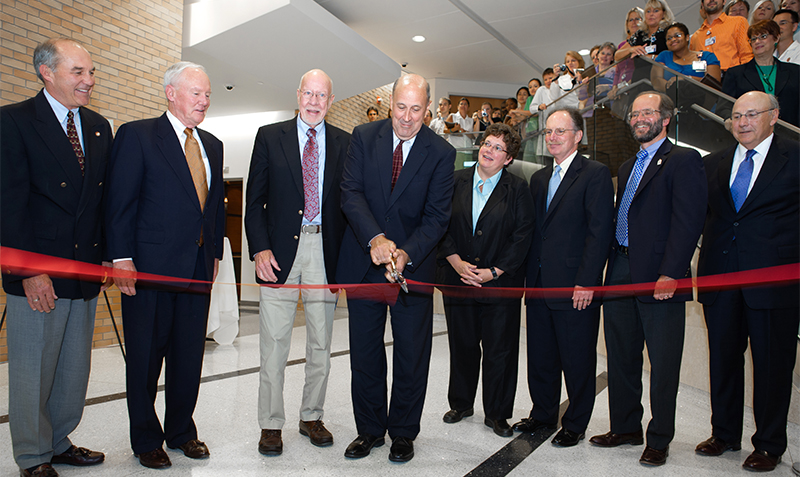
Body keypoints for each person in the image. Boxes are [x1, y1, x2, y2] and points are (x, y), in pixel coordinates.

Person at [105, 61, 226, 469]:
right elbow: (119, 203)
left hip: (196, 269)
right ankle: (145, 438)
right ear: (171, 93)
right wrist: (121, 258)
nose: (204, 101)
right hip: (149, 271)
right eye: (197, 93)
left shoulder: (212, 143)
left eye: (208, 94)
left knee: (188, 355)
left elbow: (212, 210)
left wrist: (213, 256)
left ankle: (181, 432)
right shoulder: (137, 136)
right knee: (145, 357)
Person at [0, 37, 112, 477]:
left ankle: (59, 440)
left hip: (83, 271)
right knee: (32, 369)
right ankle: (31, 455)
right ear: (47, 72)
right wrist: (29, 271)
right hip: (38, 273)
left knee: (72, 369)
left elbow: (100, 203)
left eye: (91, 72)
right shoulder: (13, 122)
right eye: (78, 72)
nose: (89, 81)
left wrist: (105, 258)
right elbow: (8, 205)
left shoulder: (99, 126)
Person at [337, 74, 455, 463]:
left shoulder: (440, 151)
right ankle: (369, 430)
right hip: (364, 263)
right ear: (391, 104)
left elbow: (437, 217)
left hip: (412, 269)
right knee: (365, 353)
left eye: (416, 109)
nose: (407, 117)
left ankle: (403, 432)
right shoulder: (363, 135)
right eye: (401, 107)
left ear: (428, 108)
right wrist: (375, 239)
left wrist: (406, 252)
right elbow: (350, 192)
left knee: (411, 353)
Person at [589, 91, 707, 467]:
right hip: (620, 269)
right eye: (635, 113)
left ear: (666, 118)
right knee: (621, 356)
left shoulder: (683, 160)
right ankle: (625, 427)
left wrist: (671, 272)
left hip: (660, 274)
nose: (640, 118)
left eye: (648, 112)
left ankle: (659, 438)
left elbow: (688, 221)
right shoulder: (626, 166)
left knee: (663, 361)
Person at [244, 69, 351, 456]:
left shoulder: (344, 143)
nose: (314, 102)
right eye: (309, 93)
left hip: (326, 251)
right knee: (273, 342)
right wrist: (259, 248)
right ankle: (271, 424)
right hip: (279, 253)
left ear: (331, 101)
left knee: (322, 341)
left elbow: (350, 202)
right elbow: (254, 201)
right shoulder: (270, 137)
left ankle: (311, 415)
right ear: (298, 94)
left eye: (322, 95)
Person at [695, 91, 799, 473]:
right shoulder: (714, 163)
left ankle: (769, 444)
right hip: (720, 278)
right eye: (736, 116)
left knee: (772, 365)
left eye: (751, 115)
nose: (742, 123)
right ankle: (723, 434)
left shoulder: (795, 157)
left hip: (774, 281)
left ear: (774, 116)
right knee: (723, 359)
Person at [513, 109, 614, 448]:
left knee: (577, 357)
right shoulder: (539, 178)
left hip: (575, 286)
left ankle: (575, 422)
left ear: (578, 136)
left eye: (560, 131)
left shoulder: (595, 174)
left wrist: (587, 282)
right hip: (540, 284)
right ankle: (542, 414)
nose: (552, 137)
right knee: (541, 355)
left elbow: (599, 233)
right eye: (549, 132)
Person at [436, 123, 534, 438]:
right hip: (458, 279)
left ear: (508, 159)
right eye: (487, 143)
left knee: (499, 350)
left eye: (497, 148)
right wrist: (455, 261)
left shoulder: (518, 189)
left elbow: (522, 237)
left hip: (499, 284)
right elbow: (440, 223)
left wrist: (495, 271)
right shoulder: (454, 180)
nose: (488, 151)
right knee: (462, 345)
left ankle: (497, 413)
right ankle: (461, 403)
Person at [722, 20, 800, 126]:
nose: (757, 41)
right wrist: (732, 123)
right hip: (751, 135)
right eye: (753, 39)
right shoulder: (735, 73)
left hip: (790, 135)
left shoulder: (795, 72)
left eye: (763, 36)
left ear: (776, 38)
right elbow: (724, 107)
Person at [652, 22, 722, 90]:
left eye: (677, 35)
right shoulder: (664, 56)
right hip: (670, 98)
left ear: (687, 37)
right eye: (669, 38)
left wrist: (686, 79)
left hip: (701, 99)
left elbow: (713, 85)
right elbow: (656, 81)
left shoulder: (707, 57)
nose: (673, 39)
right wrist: (673, 88)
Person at [691, 0, 754, 72]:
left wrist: (746, 77)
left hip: (733, 76)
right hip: (703, 79)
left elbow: (747, 55)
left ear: (724, 2)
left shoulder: (738, 22)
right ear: (702, 4)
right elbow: (694, 65)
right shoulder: (695, 37)